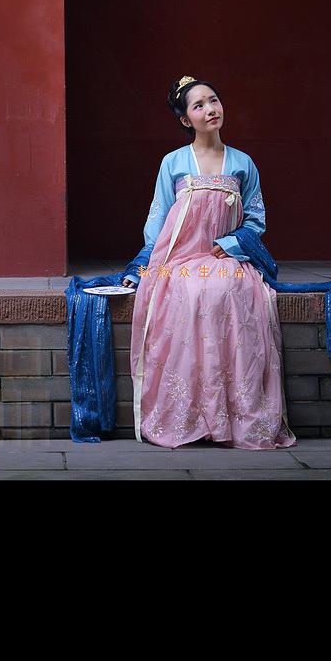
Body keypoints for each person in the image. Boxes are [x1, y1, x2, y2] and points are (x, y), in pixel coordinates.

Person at [119, 76, 296, 450]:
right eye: (198, 105)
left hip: (225, 256)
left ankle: (232, 414)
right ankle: (190, 413)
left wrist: (232, 244)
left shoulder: (243, 163)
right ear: (186, 119)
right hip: (180, 258)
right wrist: (146, 262)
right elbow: (158, 214)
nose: (210, 109)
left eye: (213, 100)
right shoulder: (174, 162)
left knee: (232, 288)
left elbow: (256, 218)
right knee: (189, 290)